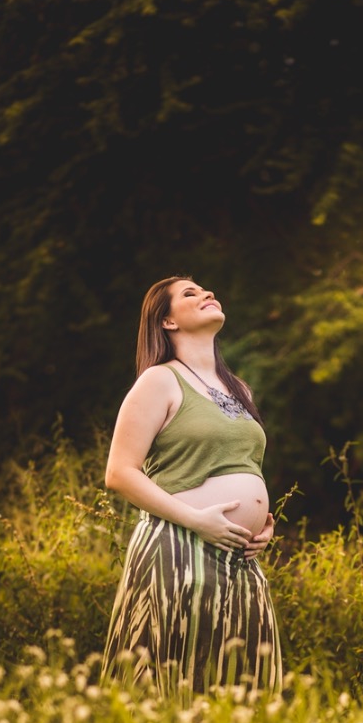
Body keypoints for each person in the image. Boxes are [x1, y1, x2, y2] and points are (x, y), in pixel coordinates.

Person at [101, 275, 283, 695]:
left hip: (239, 559)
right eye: (190, 293)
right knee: (169, 680)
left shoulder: (239, 389)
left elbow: (243, 467)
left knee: (238, 685)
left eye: (207, 290)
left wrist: (263, 523)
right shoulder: (159, 381)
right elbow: (120, 472)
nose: (207, 294)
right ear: (167, 321)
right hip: (179, 548)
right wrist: (198, 521)